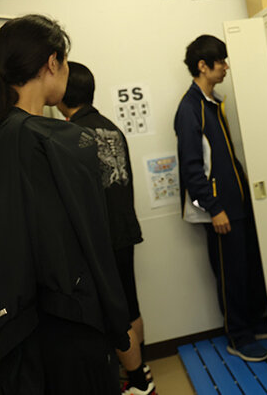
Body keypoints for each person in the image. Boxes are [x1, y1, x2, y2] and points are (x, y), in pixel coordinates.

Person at [0, 15, 130, 395]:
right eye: (66, 61)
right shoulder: (43, 138)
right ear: (52, 62)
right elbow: (71, 237)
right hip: (70, 319)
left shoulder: (10, 132)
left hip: (46, 317)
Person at [56, 62, 154, 395]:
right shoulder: (112, 127)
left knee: (113, 313)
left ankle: (137, 381)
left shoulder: (72, 135)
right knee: (130, 302)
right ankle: (142, 369)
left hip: (100, 237)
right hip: (124, 228)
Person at [174, 35, 267, 362]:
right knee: (230, 275)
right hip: (220, 211)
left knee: (248, 268)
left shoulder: (212, 102)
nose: (226, 67)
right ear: (203, 66)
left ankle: (254, 322)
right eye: (221, 61)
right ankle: (238, 336)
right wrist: (214, 208)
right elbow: (192, 169)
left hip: (237, 206)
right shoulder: (190, 109)